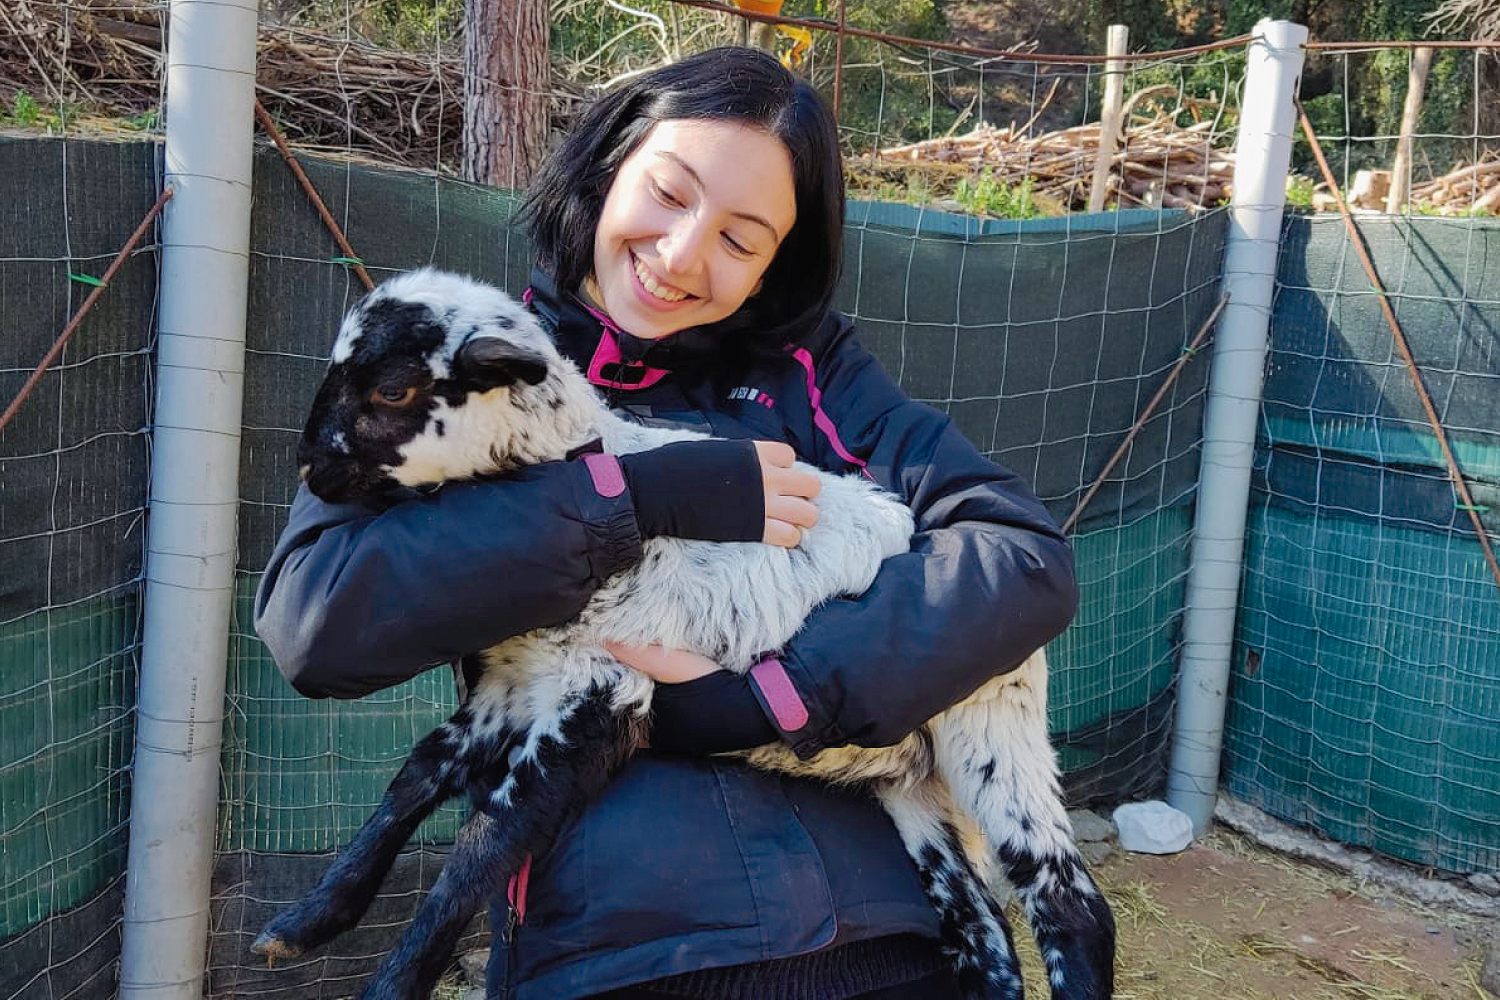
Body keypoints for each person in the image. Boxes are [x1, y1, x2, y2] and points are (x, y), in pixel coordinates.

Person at [255, 46, 1077, 1000]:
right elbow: (315, 622)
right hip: (627, 948)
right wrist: (632, 500)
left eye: (742, 238)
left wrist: (770, 696)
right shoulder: (465, 359)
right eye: (670, 193)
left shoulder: (819, 379)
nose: (683, 255)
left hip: (883, 927)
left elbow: (1020, 557)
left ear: (777, 262)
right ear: (608, 167)